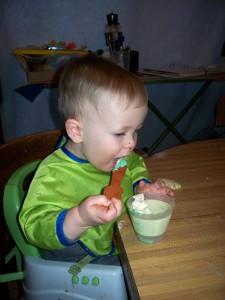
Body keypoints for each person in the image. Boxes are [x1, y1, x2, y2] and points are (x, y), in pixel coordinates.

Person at [19, 54, 174, 265]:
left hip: (116, 238)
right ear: (77, 131)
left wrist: (141, 186)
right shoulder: (54, 174)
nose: (131, 143)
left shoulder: (119, 154)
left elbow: (135, 164)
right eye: (120, 133)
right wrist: (80, 219)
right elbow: (33, 226)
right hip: (79, 257)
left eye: (135, 131)